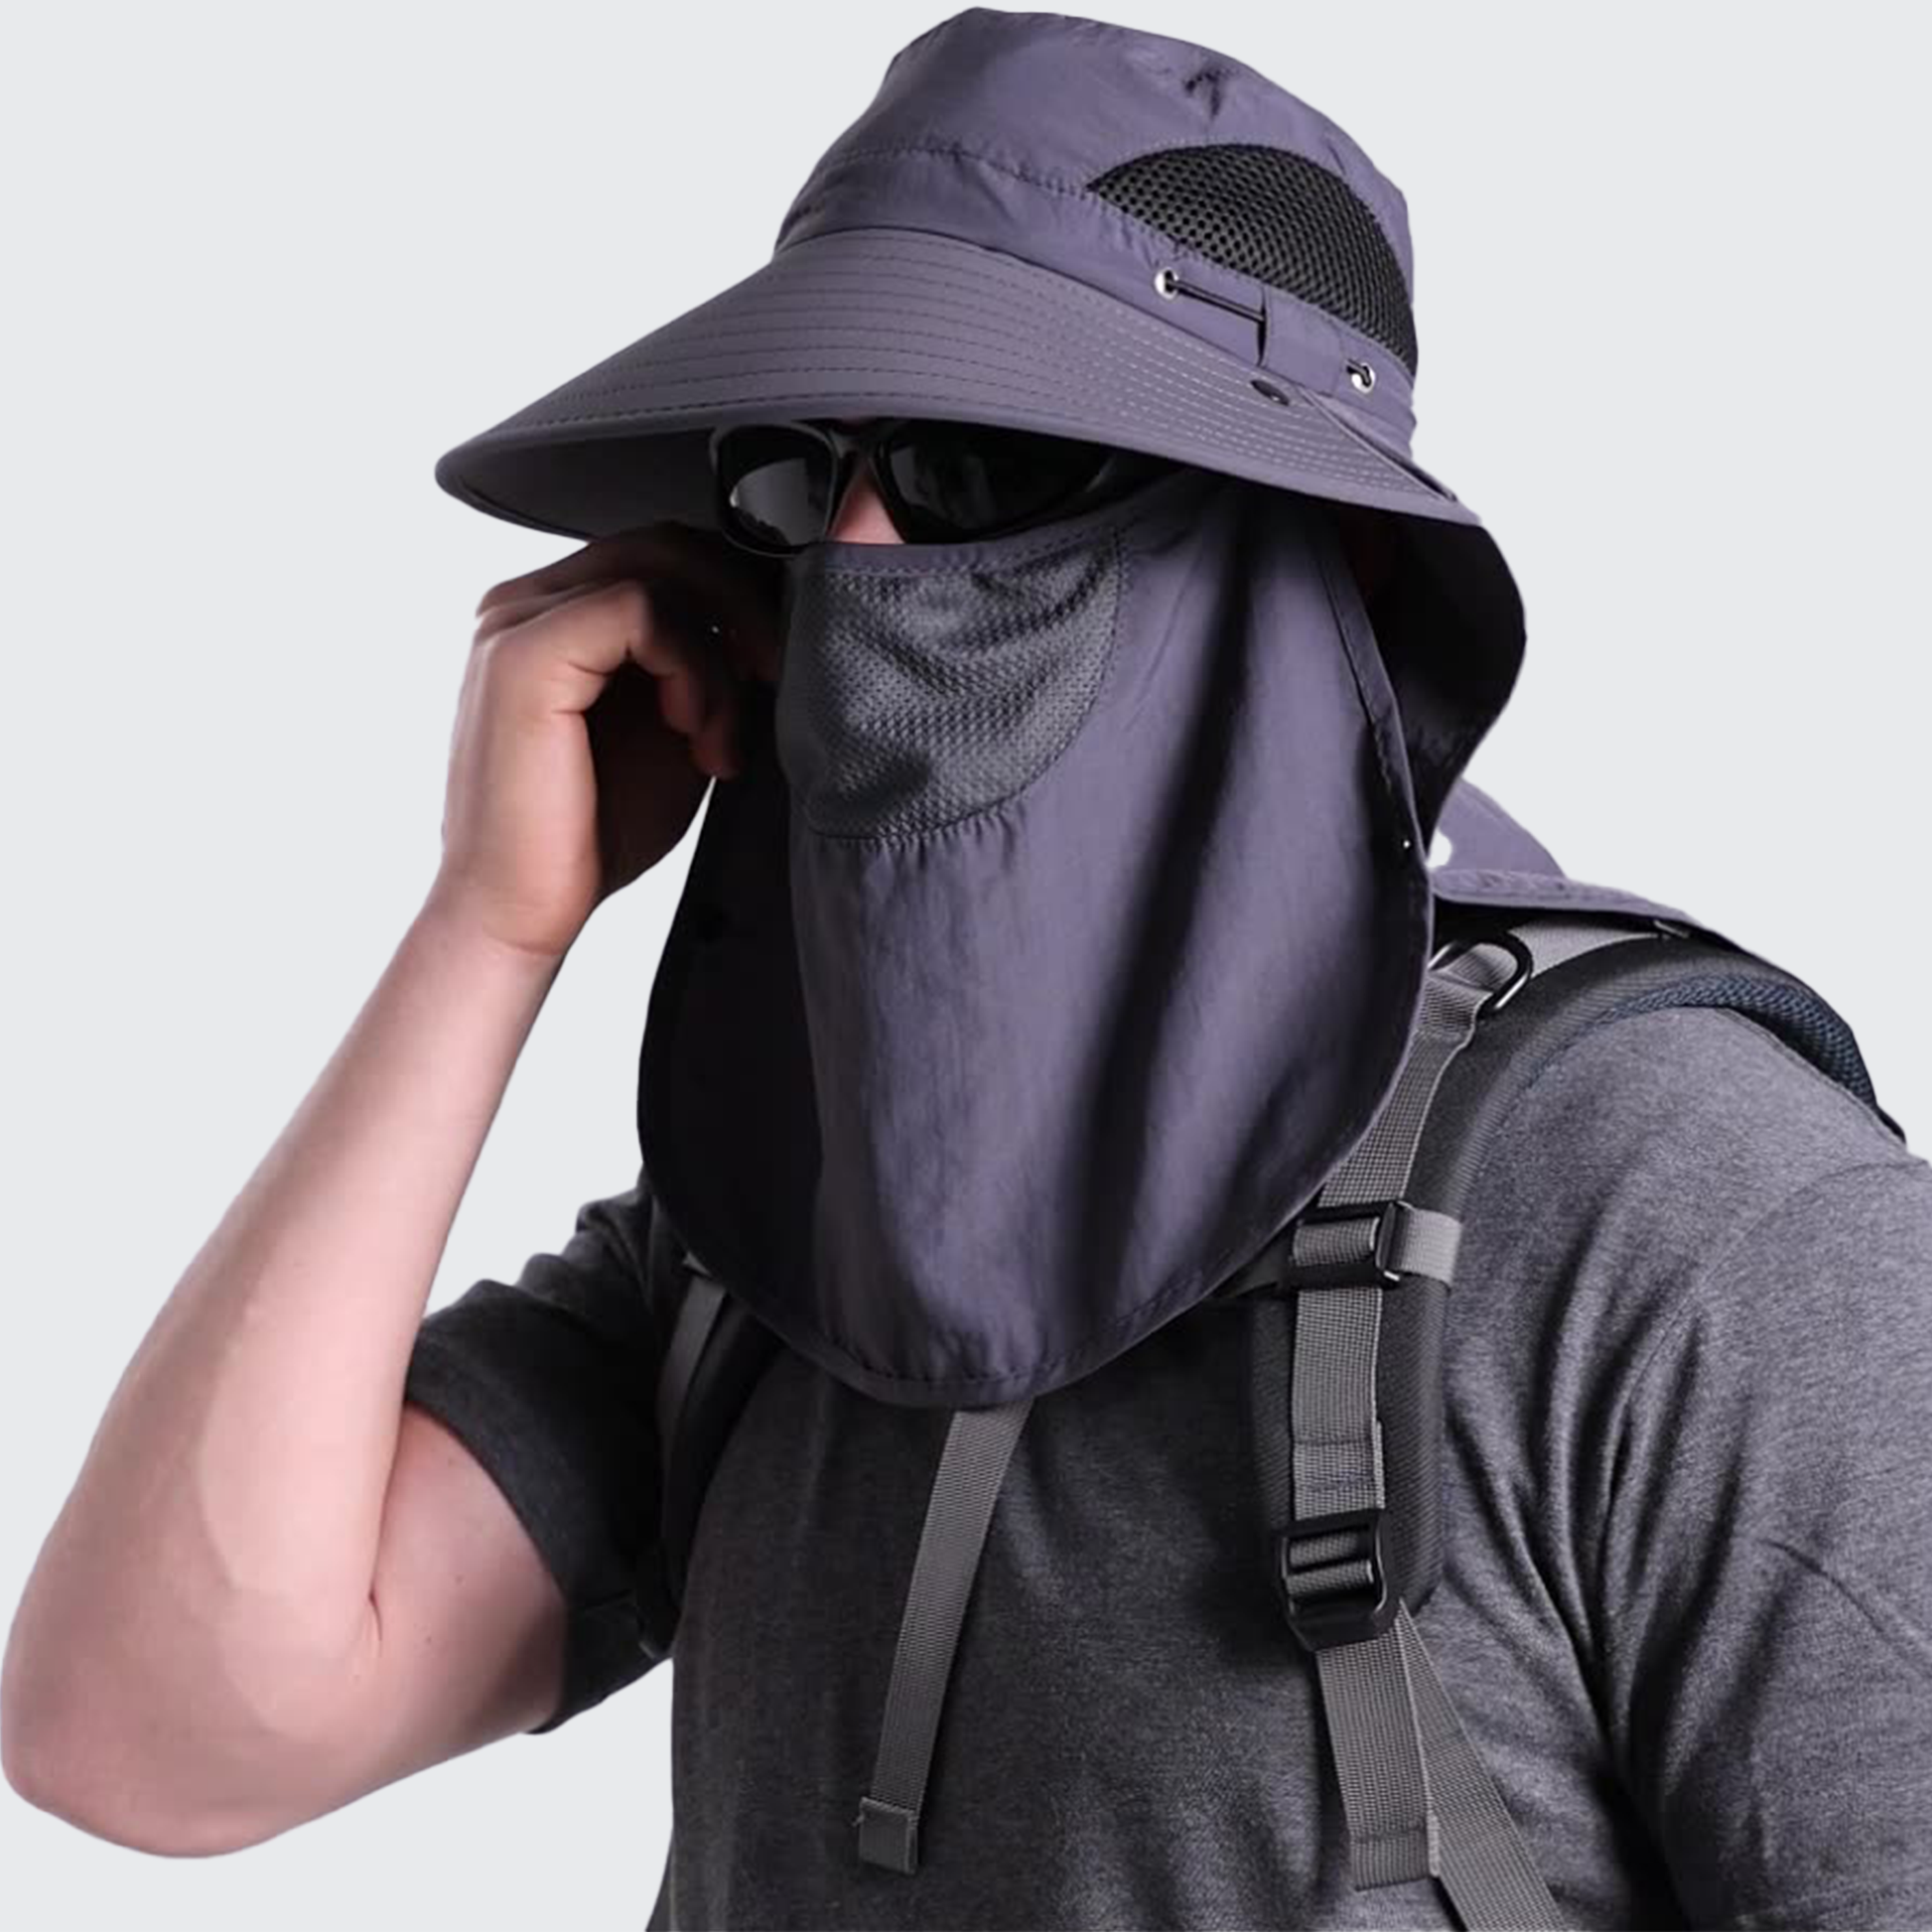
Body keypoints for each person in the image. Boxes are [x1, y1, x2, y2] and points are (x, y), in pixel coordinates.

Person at [8, 12, 1932, 1931]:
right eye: (792, 483)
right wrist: (488, 926)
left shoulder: (1691, 1221)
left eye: (972, 462)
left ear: (1328, 550)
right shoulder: (786, 1227)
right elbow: (148, 1736)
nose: (854, 556)